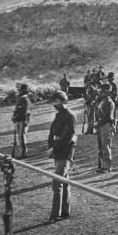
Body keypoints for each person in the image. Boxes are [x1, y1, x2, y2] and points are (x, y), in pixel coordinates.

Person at [46, 90, 77, 223]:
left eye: (57, 101)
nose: (55, 104)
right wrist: (50, 147)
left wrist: (54, 147)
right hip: (57, 152)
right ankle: (64, 211)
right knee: (64, 182)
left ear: (64, 101)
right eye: (54, 101)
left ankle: (55, 214)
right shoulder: (58, 116)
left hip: (65, 152)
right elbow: (52, 133)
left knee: (57, 182)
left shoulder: (70, 116)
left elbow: (67, 137)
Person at [95, 83, 116, 173]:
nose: (100, 93)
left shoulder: (109, 102)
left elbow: (108, 117)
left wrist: (98, 123)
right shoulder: (103, 101)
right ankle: (102, 165)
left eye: (103, 91)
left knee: (105, 146)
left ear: (107, 92)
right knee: (101, 146)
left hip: (106, 125)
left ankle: (107, 167)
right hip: (101, 125)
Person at [12, 83, 31, 158]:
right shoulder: (21, 99)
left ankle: (23, 153)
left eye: (21, 90)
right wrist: (14, 117)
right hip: (19, 120)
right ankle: (22, 152)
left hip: (23, 120)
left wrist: (16, 118)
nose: (19, 91)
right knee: (20, 137)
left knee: (22, 136)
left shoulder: (25, 99)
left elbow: (24, 112)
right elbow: (17, 110)